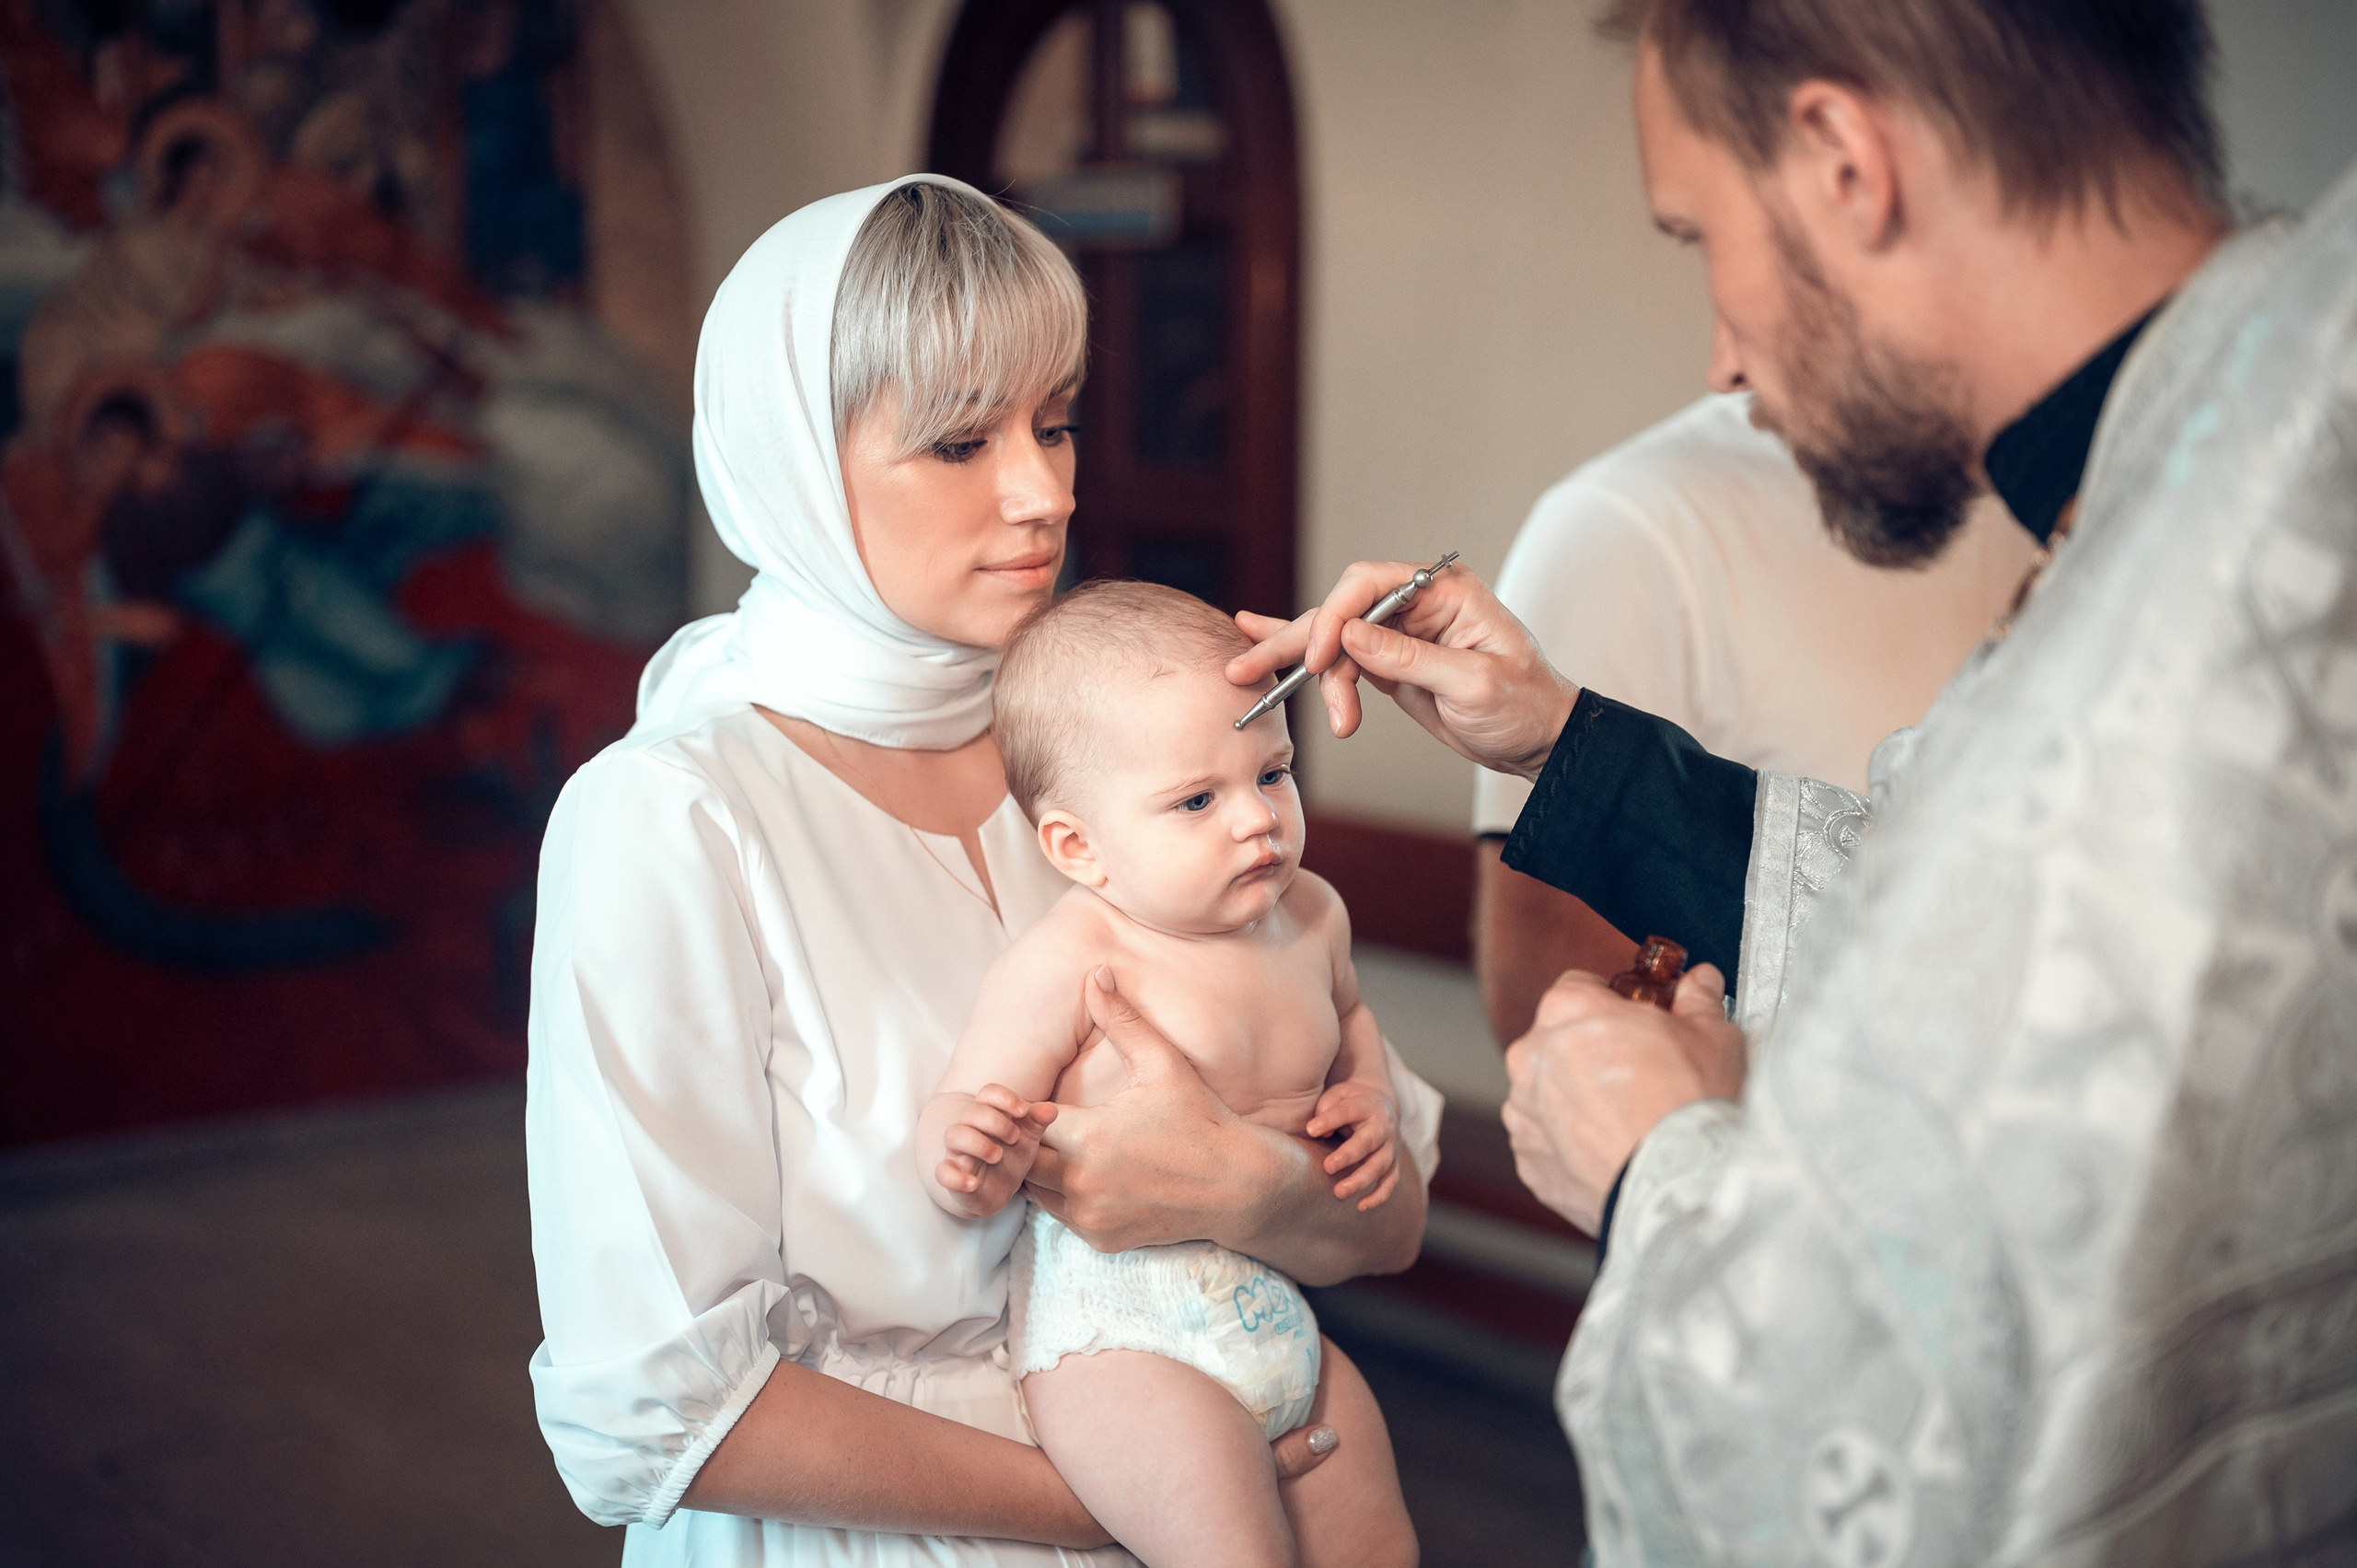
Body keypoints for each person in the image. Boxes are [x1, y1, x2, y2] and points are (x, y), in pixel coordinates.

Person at [1229, 0, 2357, 1558]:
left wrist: (1665, 1168)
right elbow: (1982, 941)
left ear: (1843, 160)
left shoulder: (2215, 591)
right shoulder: (2248, 453)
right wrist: (1564, 740)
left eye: (1700, 236)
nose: (1721, 355)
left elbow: (1934, 1451)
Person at [524, 175, 1441, 1568]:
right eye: (960, 440)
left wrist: (1250, 1194)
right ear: (793, 461)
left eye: (1054, 422)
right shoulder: (671, 816)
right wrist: (1150, 1503)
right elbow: (657, 1411)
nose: (1044, 491)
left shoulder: (1121, 751)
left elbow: (1392, 1218)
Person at [921, 580, 1415, 1568]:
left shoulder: (1313, 915)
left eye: (1272, 773)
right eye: (1197, 799)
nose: (1256, 818)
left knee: (1380, 1546)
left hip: (1277, 1310)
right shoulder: (1077, 955)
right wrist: (967, 1155)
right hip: (1122, 1341)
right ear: (1079, 847)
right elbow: (965, 1101)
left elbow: (1353, 1020)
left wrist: (1369, 1092)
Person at [1471, 393, 2035, 1042]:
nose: (1723, 369)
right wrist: (1561, 744)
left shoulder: (2076, 513)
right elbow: (1553, 1011)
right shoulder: (1625, 519)